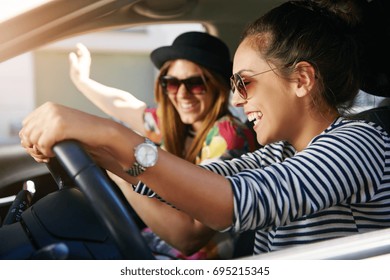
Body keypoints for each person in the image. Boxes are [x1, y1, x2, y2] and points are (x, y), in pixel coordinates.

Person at [20, 0, 390, 256]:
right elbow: (189, 182)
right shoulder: (284, 151)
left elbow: (228, 203)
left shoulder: (361, 144)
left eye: (244, 83)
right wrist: (103, 154)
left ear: (301, 79)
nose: (238, 101)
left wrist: (110, 134)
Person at [68, 32, 257, 259]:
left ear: (218, 86)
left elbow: (189, 237)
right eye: (173, 83)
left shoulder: (228, 136)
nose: (183, 95)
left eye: (196, 84)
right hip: (157, 246)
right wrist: (82, 81)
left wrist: (119, 171)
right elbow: (123, 104)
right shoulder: (174, 124)